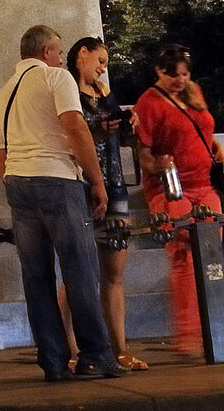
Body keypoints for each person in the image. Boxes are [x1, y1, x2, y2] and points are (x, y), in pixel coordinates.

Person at [0, 25, 117, 382]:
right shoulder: (56, 79)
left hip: (18, 183)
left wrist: (20, 176)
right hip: (58, 180)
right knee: (80, 267)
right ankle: (94, 355)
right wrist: (97, 181)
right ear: (46, 52)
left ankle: (54, 360)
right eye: (59, 52)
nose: (62, 58)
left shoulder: (0, 97)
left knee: (36, 275)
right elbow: (74, 126)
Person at [135, 43, 224, 352]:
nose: (180, 80)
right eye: (173, 74)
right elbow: (144, 156)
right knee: (183, 257)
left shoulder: (194, 92)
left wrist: (223, 153)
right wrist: (158, 165)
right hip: (171, 187)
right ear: (158, 71)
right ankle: (189, 334)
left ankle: (217, 332)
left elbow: (205, 134)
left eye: (185, 73)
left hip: (205, 185)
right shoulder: (148, 102)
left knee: (211, 258)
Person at [67, 37, 146, 371]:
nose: (102, 68)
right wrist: (96, 129)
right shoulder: (66, 89)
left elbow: (116, 135)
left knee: (114, 271)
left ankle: (121, 349)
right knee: (79, 271)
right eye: (100, 60)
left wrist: (129, 124)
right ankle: (73, 351)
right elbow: (68, 134)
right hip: (80, 183)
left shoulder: (103, 92)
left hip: (114, 184)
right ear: (81, 54)